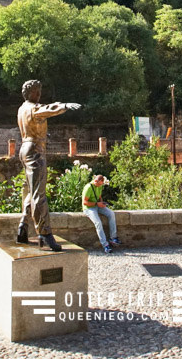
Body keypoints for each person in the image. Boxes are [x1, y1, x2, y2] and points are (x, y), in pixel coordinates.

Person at [15, 80, 81, 252]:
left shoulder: (21, 108)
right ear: (31, 93)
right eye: (37, 92)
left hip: (24, 148)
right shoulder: (32, 108)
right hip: (35, 149)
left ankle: (23, 226)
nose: (39, 96)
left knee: (31, 190)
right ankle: (44, 232)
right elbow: (47, 109)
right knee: (39, 194)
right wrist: (64, 105)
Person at [82, 174, 120, 253]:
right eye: (99, 184)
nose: (100, 186)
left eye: (101, 185)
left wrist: (102, 203)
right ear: (95, 181)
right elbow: (85, 202)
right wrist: (97, 204)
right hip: (89, 208)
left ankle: (113, 238)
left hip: (98, 205)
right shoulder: (88, 187)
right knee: (98, 222)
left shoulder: (100, 186)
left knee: (111, 214)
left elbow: (99, 197)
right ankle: (105, 245)